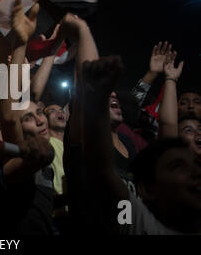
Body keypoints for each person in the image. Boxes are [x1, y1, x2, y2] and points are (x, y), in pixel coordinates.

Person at [79, 55, 201, 234]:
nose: (195, 174)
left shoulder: (130, 143)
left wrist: (170, 79)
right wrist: (97, 95)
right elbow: (102, 168)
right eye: (177, 167)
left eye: (196, 167)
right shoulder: (144, 226)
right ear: (148, 189)